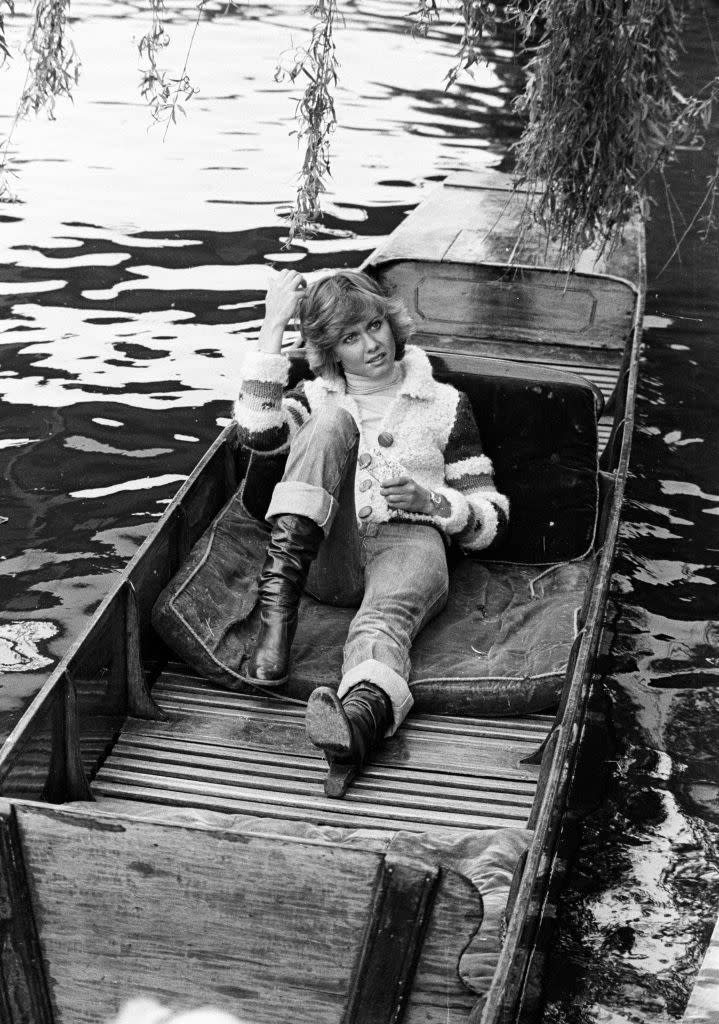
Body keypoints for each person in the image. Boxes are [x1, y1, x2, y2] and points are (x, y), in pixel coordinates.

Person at [233, 269, 508, 794]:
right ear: (331, 350)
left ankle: (357, 725)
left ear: (391, 323)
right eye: (350, 338)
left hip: (409, 544)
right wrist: (272, 328)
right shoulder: (314, 397)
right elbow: (257, 433)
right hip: (325, 554)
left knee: (382, 625)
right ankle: (276, 615)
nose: (372, 345)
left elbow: (490, 516)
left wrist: (435, 503)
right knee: (333, 423)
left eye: (375, 325)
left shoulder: (447, 405)